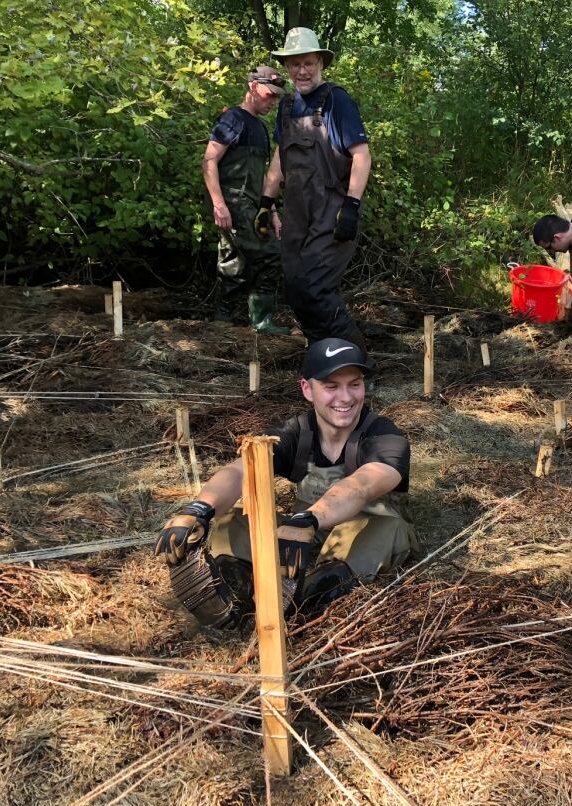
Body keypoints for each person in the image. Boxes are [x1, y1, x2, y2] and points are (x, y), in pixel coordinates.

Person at [153, 337, 416, 629]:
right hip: (302, 533)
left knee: (387, 529)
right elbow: (242, 470)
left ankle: (312, 601)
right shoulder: (295, 433)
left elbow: (366, 484)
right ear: (307, 389)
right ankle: (232, 594)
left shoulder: (383, 435)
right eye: (331, 386)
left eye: (354, 384)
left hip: (358, 527)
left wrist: (311, 517)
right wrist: (200, 508)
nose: (345, 397)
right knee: (233, 521)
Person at [257, 27, 370, 351]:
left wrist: (351, 206)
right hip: (296, 212)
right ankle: (323, 356)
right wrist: (267, 201)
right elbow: (281, 155)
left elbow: (361, 155)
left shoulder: (336, 100)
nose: (301, 71)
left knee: (316, 287)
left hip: (331, 209)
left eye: (308, 63)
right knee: (294, 286)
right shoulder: (288, 106)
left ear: (320, 62)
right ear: (287, 66)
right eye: (294, 64)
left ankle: (355, 364)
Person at [202, 66, 289, 335]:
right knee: (271, 255)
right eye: (269, 94)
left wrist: (271, 210)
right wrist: (219, 204)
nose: (272, 101)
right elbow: (209, 161)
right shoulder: (233, 120)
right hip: (232, 202)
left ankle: (222, 321)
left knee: (234, 262)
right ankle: (261, 323)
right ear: (253, 87)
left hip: (252, 204)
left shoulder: (261, 129)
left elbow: (263, 174)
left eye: (276, 97)